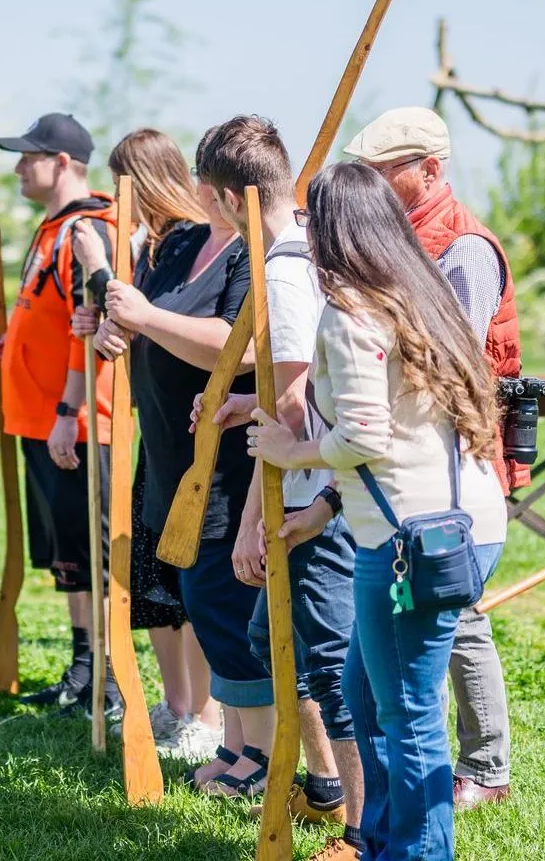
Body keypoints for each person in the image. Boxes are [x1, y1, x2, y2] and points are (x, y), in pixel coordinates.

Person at [248, 161, 507, 860]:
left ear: (332, 233)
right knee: (369, 698)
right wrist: (326, 506)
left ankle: (417, 854)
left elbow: (366, 435)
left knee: (406, 717)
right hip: (462, 527)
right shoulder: (416, 295)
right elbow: (409, 434)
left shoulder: (351, 312)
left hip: (409, 546)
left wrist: (289, 450)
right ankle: (388, 840)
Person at [192, 117, 363, 851]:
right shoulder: (301, 251)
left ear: (232, 197)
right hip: (312, 480)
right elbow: (291, 392)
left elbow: (294, 403)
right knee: (273, 638)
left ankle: (363, 824)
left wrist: (254, 520)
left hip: (316, 496)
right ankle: (325, 784)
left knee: (326, 663)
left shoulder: (289, 272)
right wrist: (240, 406)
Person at [345, 107, 516, 810]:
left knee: (460, 604)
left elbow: (450, 353)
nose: (376, 189)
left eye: (386, 174)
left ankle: (486, 767)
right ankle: (480, 766)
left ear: (430, 170)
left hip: (455, 462)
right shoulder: (406, 238)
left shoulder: (466, 247)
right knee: (449, 606)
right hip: (417, 461)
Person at [70, 127, 226, 762]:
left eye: (120, 181)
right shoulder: (162, 249)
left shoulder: (206, 246)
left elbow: (185, 330)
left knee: (196, 581)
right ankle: (180, 702)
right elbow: (137, 325)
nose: (111, 194)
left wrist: (101, 271)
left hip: (193, 436)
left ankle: (210, 713)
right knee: (154, 577)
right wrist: (106, 325)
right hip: (152, 434)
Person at [0, 112, 119, 715]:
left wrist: (71, 410)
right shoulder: (53, 228)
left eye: (29, 156)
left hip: (74, 420)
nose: (19, 167)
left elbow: (85, 331)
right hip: (39, 417)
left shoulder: (87, 230)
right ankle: (84, 665)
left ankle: (111, 675)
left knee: (91, 553)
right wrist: (10, 344)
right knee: (67, 556)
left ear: (62, 162)